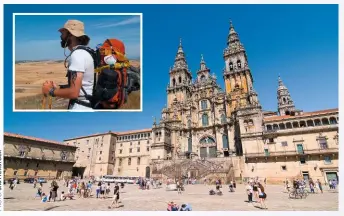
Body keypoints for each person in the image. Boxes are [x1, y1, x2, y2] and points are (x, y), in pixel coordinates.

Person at [41, 20, 94, 110]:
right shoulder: (86, 52)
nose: (61, 36)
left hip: (80, 108)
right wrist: (58, 88)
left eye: (63, 33)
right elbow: (83, 85)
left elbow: (74, 92)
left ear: (71, 35)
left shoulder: (78, 55)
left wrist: (50, 91)